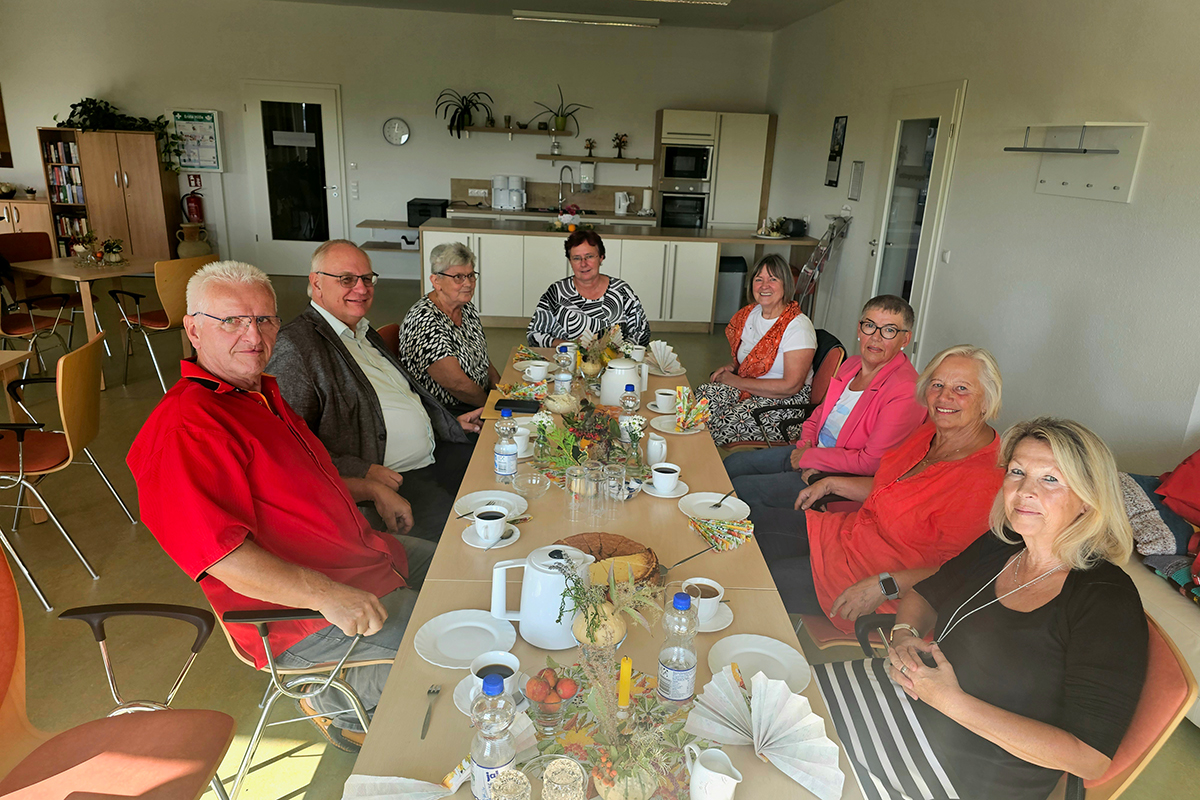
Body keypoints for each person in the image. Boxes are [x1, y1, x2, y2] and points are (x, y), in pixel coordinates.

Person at [128, 260, 435, 753]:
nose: (252, 335)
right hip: (305, 613)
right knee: (451, 647)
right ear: (193, 329)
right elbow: (220, 558)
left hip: (365, 554)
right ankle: (335, 697)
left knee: (468, 574)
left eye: (264, 319)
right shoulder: (187, 426)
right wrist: (327, 594)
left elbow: (310, 481)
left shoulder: (260, 393)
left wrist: (372, 489)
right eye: (231, 320)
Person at [815, 418, 1147, 800]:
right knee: (776, 703)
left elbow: (1090, 759)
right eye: (1018, 472)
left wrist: (950, 702)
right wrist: (904, 636)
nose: (1024, 490)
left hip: (967, 772)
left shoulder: (1106, 599)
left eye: (1050, 479)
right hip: (910, 696)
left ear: (1088, 499)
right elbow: (926, 594)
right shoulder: (1003, 544)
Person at [751, 344, 1006, 630]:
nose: (944, 397)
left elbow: (960, 572)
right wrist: (832, 483)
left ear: (987, 400)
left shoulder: (985, 481)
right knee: (751, 528)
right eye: (937, 384)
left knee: (758, 581)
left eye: (962, 388)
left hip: (875, 583)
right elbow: (893, 488)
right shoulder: (931, 433)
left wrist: (885, 586)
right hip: (849, 536)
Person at [267, 240, 482, 540]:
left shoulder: (363, 332)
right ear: (316, 283)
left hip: (434, 451)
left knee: (503, 476)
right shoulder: (296, 346)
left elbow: (399, 396)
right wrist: (363, 471)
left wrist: (446, 422)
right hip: (396, 477)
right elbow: (290, 447)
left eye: (367, 279)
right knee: (468, 538)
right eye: (346, 279)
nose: (361, 288)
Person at [722, 294, 926, 497]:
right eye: (869, 326)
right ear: (859, 329)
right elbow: (818, 415)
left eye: (889, 330)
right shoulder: (851, 365)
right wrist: (805, 451)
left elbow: (871, 462)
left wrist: (811, 460)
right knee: (733, 464)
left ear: (905, 339)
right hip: (811, 455)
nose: (875, 337)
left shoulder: (905, 391)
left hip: (841, 478)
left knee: (740, 489)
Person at [696, 255, 818, 446]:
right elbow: (753, 358)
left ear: (786, 284)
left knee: (717, 424)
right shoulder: (750, 314)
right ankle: (685, 462)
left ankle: (700, 468)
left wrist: (737, 381)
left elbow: (790, 386)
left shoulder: (798, 327)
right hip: (750, 387)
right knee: (703, 399)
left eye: (773, 279)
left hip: (785, 403)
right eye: (758, 279)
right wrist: (732, 368)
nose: (764, 285)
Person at [398, 242, 499, 415]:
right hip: (448, 412)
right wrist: (493, 407)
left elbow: (482, 358)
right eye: (458, 277)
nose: (468, 283)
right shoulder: (424, 322)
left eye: (471, 275)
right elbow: (457, 385)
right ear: (436, 281)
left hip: (478, 400)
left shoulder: (465, 308)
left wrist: (501, 390)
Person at [526, 230, 650, 347]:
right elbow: (534, 335)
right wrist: (572, 346)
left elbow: (642, 332)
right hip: (568, 362)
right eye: (576, 258)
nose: (583, 263)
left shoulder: (621, 291)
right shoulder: (556, 293)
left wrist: (614, 347)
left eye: (589, 256)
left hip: (614, 364)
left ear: (601, 257)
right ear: (570, 261)